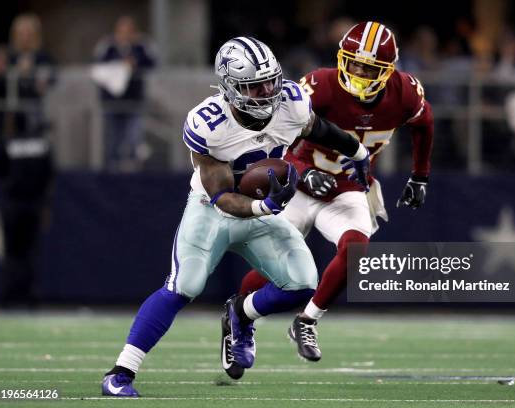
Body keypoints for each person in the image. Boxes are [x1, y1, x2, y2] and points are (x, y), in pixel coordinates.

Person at [101, 36, 371, 397]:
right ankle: (120, 373)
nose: (267, 91)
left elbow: (315, 128)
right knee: (185, 286)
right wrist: (265, 207)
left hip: (263, 208)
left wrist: (357, 149)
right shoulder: (208, 123)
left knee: (303, 284)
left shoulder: (290, 101)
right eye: (255, 86)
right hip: (212, 211)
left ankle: (240, 315)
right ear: (230, 87)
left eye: (270, 81)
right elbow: (222, 196)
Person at [237, 21, 434, 366]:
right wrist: (301, 174)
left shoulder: (405, 93)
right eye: (353, 62)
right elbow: (274, 136)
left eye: (369, 67)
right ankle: (239, 318)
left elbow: (425, 124)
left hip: (348, 187)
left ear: (388, 70)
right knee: (277, 265)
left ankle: (306, 321)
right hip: (299, 183)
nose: (357, 71)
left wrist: (420, 176)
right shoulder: (320, 86)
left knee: (357, 250)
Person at [0, 13, 56, 308]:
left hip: (30, 191)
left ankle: (29, 295)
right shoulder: (8, 58)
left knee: (29, 245)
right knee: (11, 245)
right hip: (11, 187)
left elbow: (45, 83)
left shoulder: (41, 59)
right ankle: (11, 295)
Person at [93, 16, 157, 172]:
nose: (125, 35)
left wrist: (135, 63)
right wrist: (120, 65)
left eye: (129, 31)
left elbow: (153, 62)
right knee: (112, 139)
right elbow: (97, 66)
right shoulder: (108, 46)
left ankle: (134, 170)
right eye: (122, 31)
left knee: (134, 139)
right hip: (111, 103)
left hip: (134, 103)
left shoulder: (141, 46)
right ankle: (111, 169)